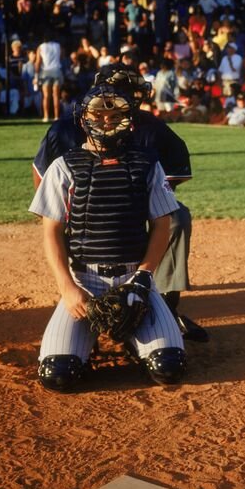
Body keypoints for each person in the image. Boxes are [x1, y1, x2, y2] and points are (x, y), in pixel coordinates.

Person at [32, 63, 209, 345]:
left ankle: (164, 302)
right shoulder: (67, 127)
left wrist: (136, 200)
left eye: (125, 93)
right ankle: (74, 288)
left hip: (132, 213)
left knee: (176, 218)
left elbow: (173, 177)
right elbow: (41, 176)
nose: (117, 100)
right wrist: (66, 210)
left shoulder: (150, 126)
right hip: (77, 212)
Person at [35, 31, 64, 122]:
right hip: (56, 70)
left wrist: (36, 76)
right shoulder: (58, 46)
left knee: (46, 96)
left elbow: (38, 62)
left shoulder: (41, 47)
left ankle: (46, 116)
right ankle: (56, 116)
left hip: (45, 72)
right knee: (56, 95)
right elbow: (61, 57)